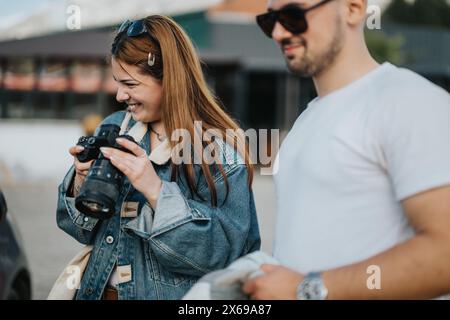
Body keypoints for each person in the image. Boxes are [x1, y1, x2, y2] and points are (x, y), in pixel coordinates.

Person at [243, 0, 450, 299]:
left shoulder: (410, 102)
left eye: (293, 16)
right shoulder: (305, 122)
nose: (278, 32)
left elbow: (444, 255)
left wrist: (307, 289)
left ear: (353, 8)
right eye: (269, 20)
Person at [56, 15, 260, 300]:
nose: (119, 94)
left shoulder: (219, 149)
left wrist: (155, 190)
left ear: (170, 80)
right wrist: (81, 184)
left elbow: (226, 255)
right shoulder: (114, 126)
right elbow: (80, 230)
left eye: (130, 84)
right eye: (117, 82)